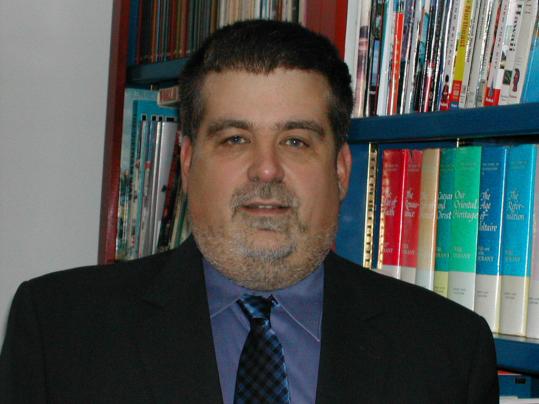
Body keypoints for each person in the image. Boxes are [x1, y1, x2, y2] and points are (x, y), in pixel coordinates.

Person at [0, 20, 498, 403]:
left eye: (296, 140)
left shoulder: (449, 351)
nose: (266, 169)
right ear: (188, 162)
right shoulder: (57, 331)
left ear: (341, 170)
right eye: (235, 139)